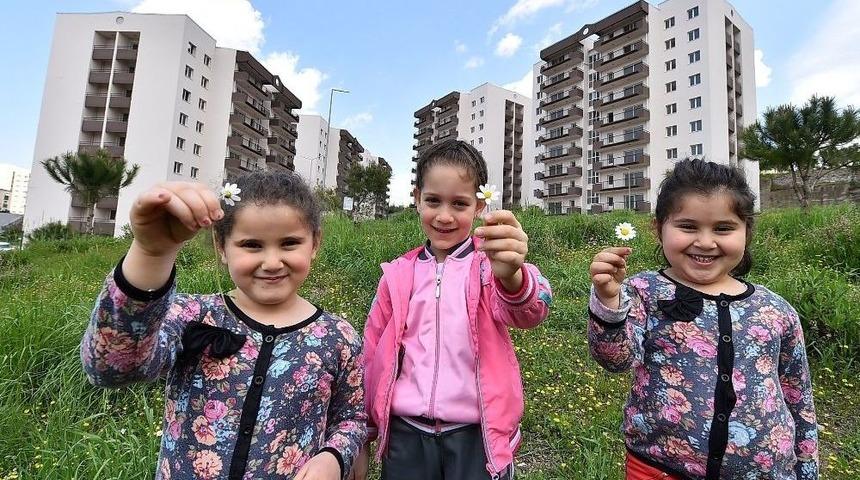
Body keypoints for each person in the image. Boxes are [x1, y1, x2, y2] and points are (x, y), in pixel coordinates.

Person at [81, 171, 366, 480]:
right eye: (252, 245)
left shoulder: (338, 336)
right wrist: (152, 253)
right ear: (222, 246)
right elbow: (110, 367)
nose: (272, 262)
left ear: (314, 243)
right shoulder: (192, 315)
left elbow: (351, 419)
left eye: (289, 243)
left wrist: (334, 457)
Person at [588, 159, 819, 479]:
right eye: (688, 226)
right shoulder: (644, 292)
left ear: (747, 232)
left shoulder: (776, 310)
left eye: (723, 228)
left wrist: (807, 467)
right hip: (660, 469)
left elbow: (799, 398)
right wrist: (608, 300)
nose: (706, 242)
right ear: (658, 228)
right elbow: (615, 359)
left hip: (766, 471)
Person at [352, 140, 552, 480]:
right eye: (433, 201)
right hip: (405, 434)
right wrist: (364, 434)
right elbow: (371, 356)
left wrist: (513, 275)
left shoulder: (490, 266)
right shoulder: (397, 275)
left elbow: (531, 312)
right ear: (416, 198)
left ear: (478, 205)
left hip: (477, 434)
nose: (444, 216)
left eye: (459, 203)